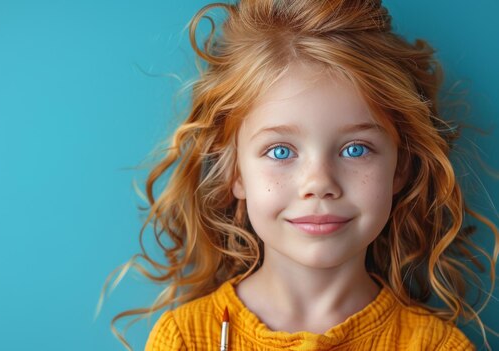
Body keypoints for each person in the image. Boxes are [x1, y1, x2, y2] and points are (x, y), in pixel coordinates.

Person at [108, 0, 499, 349]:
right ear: (235, 173)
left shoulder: (434, 346)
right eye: (280, 151)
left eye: (355, 149)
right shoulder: (186, 338)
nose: (319, 183)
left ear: (401, 168)